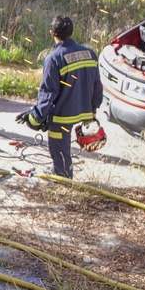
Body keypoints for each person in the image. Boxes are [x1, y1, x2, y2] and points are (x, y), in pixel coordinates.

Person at [16, 16, 103, 179]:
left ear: (52, 33)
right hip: (85, 110)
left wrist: (34, 116)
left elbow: (48, 93)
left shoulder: (53, 58)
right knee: (62, 149)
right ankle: (61, 171)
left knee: (58, 148)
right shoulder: (90, 53)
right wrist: (93, 111)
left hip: (63, 115)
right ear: (71, 32)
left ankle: (62, 178)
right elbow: (97, 86)